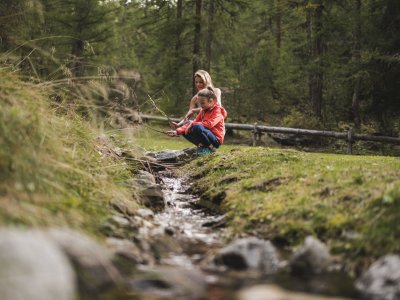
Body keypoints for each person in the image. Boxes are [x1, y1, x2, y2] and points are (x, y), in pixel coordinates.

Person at [167, 87, 227, 156]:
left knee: (196, 126)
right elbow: (195, 121)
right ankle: (202, 146)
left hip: (215, 139)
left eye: (203, 103)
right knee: (185, 124)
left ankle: (211, 148)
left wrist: (192, 124)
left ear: (211, 101)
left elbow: (209, 124)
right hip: (206, 135)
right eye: (200, 103)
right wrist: (177, 131)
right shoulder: (203, 110)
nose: (201, 106)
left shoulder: (218, 111)